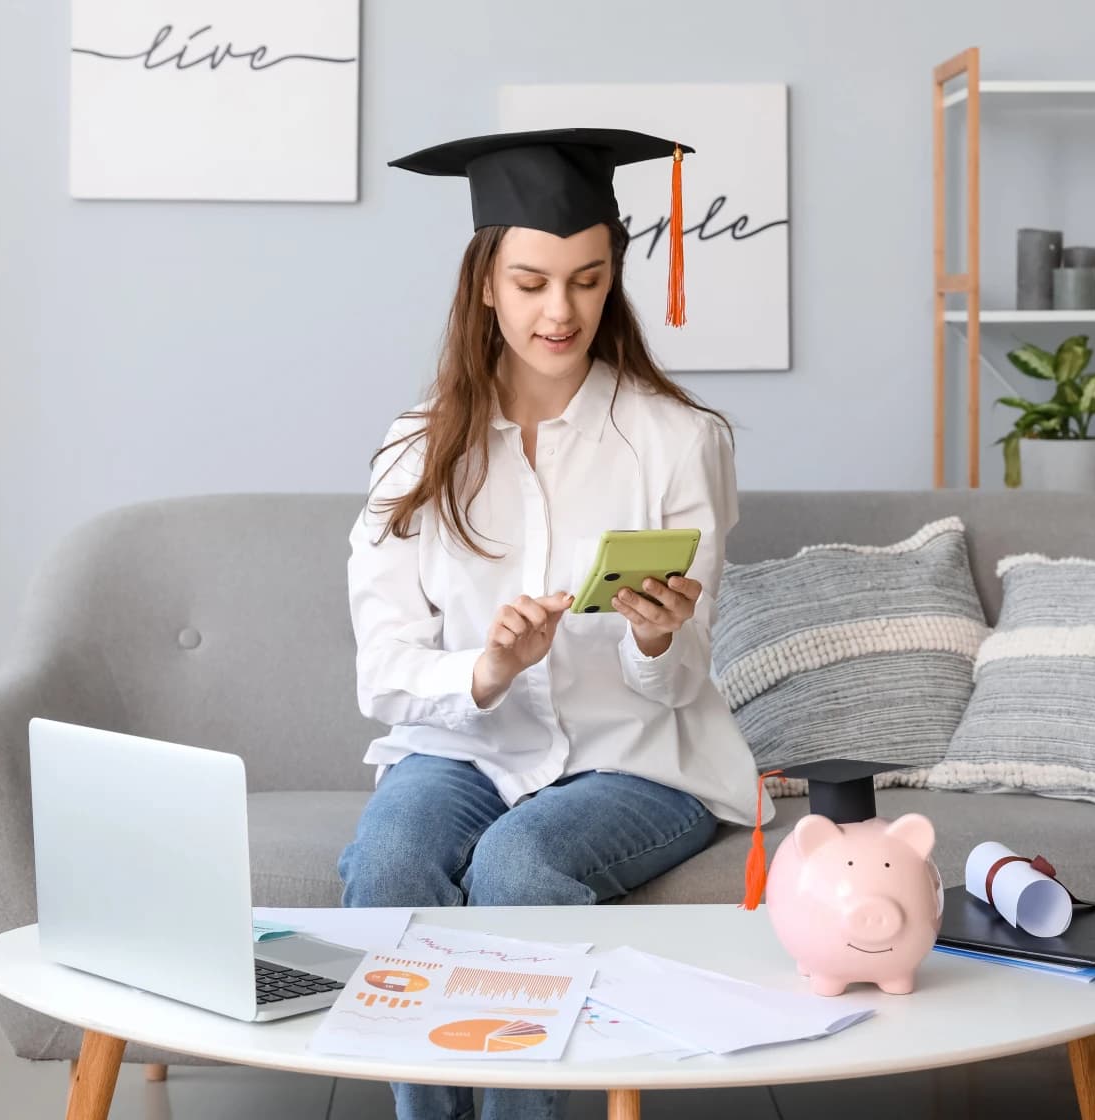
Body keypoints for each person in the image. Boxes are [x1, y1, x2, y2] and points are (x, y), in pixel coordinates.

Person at [338, 127, 771, 1120]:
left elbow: (679, 684)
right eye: (531, 281)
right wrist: (487, 669)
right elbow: (384, 670)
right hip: (465, 747)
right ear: (485, 283)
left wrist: (657, 638)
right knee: (391, 857)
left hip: (637, 761)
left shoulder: (677, 440)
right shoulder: (415, 450)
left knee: (517, 862)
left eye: (586, 279)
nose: (560, 310)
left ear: (612, 276)